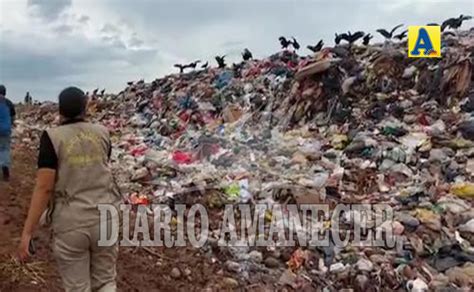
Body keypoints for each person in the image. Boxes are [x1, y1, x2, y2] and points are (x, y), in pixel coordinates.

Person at [18, 87, 121, 292]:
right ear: (85, 109)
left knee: (78, 287)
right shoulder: (102, 133)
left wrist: (27, 232)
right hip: (106, 217)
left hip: (72, 223)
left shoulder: (52, 137)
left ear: (60, 111)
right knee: (106, 281)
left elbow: (44, 187)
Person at [0, 84, 15, 181]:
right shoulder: (9, 103)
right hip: (5, 131)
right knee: (4, 151)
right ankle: (6, 175)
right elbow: (13, 117)